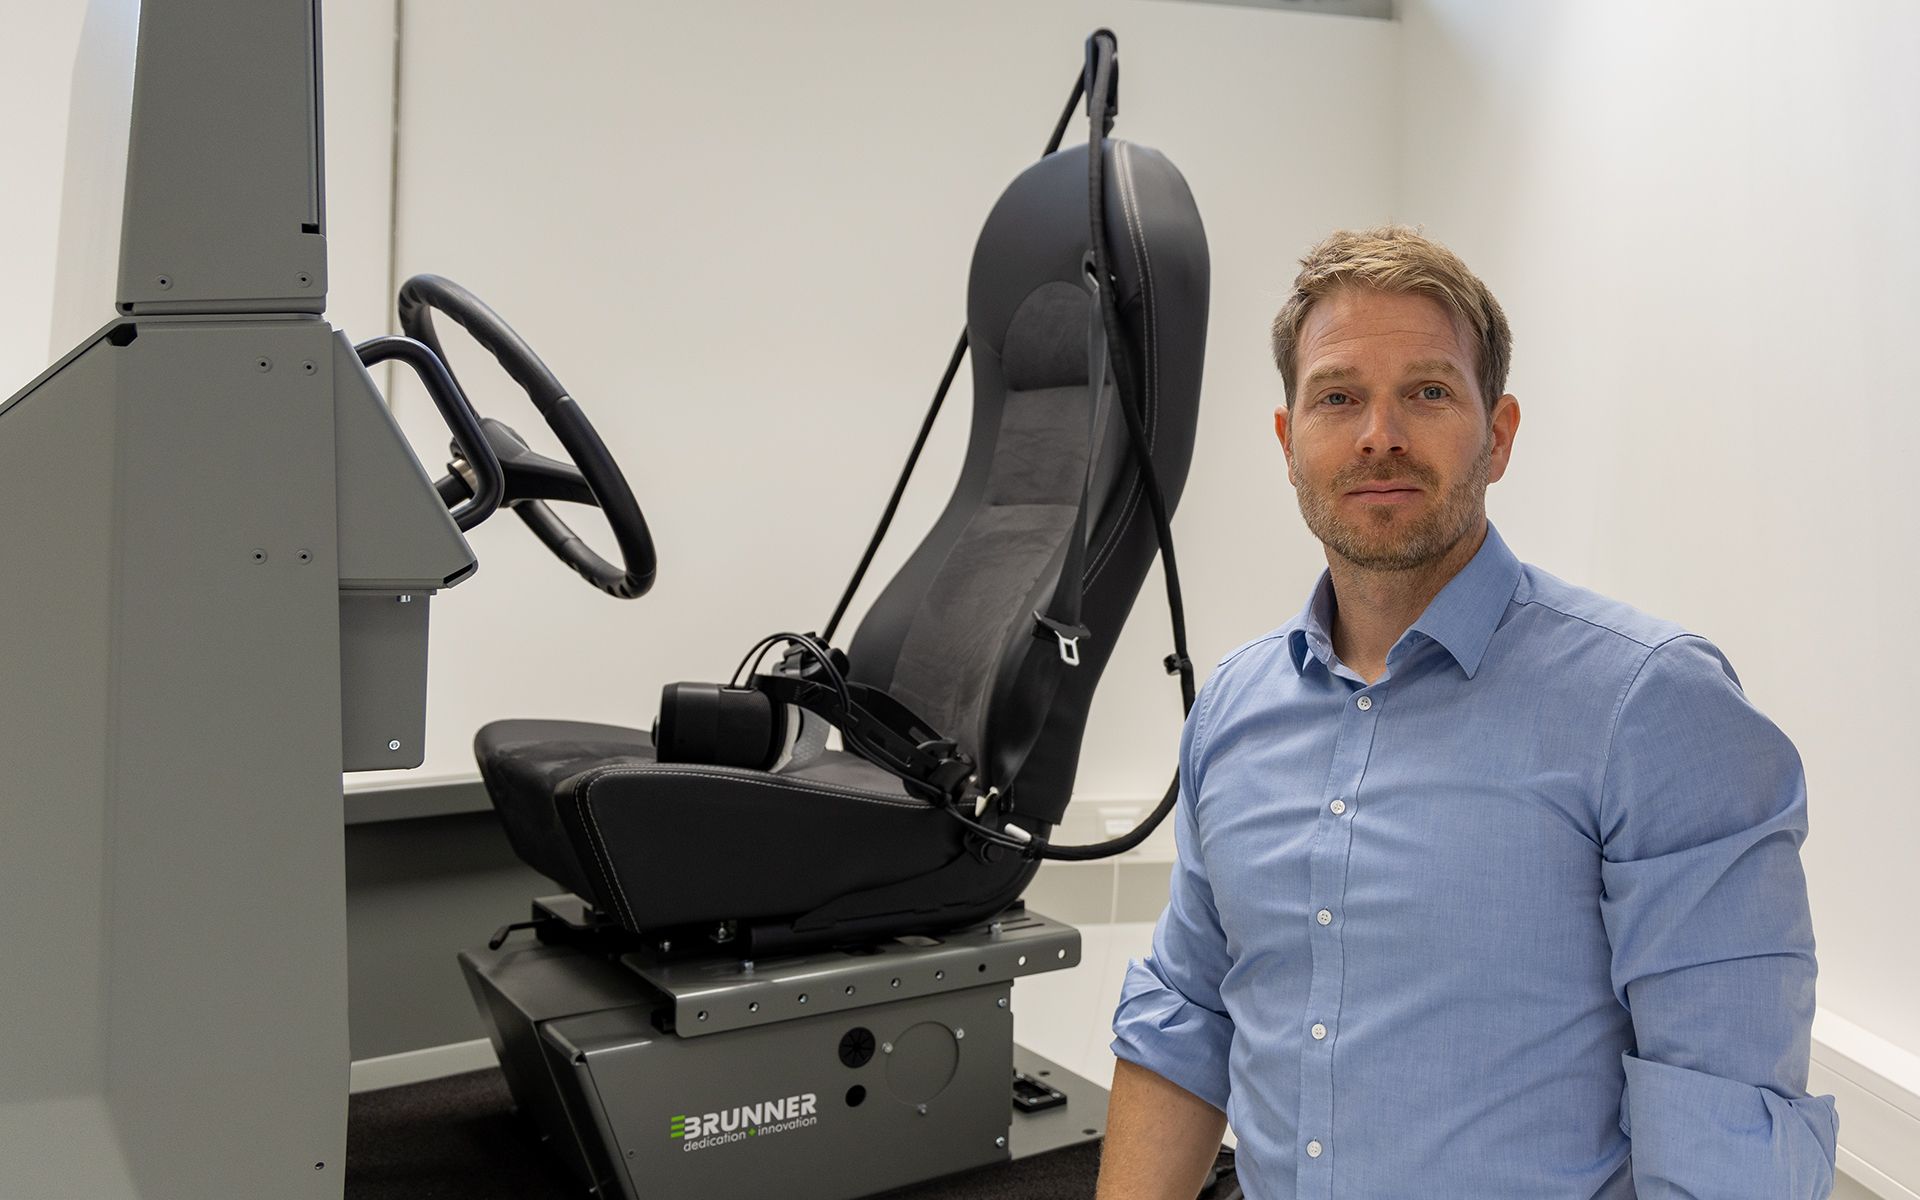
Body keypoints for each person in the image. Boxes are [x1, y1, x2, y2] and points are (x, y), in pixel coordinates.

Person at [1096, 227, 1839, 1199]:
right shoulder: (1233, 710)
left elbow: (1728, 1135)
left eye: (1429, 392)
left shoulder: (1654, 707)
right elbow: (1187, 1014)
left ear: (1499, 433)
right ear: (1289, 443)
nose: (1378, 436)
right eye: (1337, 397)